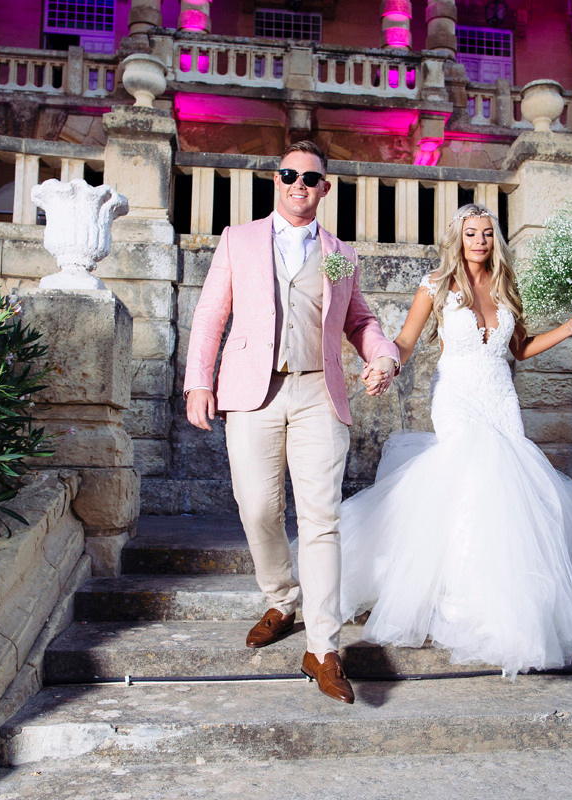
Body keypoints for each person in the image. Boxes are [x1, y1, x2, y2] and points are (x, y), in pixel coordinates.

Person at [347, 203, 572, 678]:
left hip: (500, 396)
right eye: (472, 233)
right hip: (455, 395)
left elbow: (519, 349)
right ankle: (459, 602)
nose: (480, 241)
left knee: (507, 493)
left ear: (496, 240)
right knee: (472, 480)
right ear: (458, 238)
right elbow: (407, 341)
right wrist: (386, 363)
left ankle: (504, 598)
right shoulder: (435, 285)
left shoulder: (505, 288)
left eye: (488, 233)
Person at [184, 141, 400, 704]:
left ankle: (324, 647)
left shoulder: (340, 254)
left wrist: (382, 354)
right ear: (276, 181)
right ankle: (282, 598)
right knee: (256, 506)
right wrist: (199, 380)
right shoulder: (240, 239)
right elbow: (211, 313)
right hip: (252, 392)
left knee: (321, 518)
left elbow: (360, 319)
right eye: (288, 174)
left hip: (316, 394)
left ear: (324, 188)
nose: (298, 183)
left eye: (309, 177)